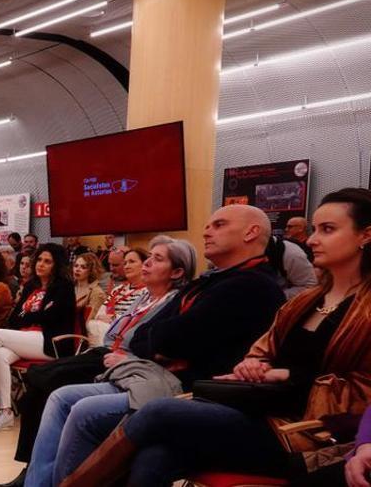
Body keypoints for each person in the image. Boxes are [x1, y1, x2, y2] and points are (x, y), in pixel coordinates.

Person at [62, 189, 371, 487]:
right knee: (156, 455)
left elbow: (363, 390)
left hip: (309, 430)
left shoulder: (363, 309)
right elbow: (260, 350)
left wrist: (282, 374)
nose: (313, 239)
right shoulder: (304, 302)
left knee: (158, 412)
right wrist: (254, 365)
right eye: (315, 229)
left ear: (365, 235)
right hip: (261, 408)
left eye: (327, 230)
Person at [31, 205, 286, 486]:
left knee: (83, 411)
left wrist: (161, 341)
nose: (206, 231)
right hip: (153, 375)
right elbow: (143, 337)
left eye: (219, 224)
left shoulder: (252, 286)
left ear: (251, 232)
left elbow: (169, 338)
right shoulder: (208, 282)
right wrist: (162, 342)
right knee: (58, 393)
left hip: (192, 390)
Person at [4, 237, 190, 487]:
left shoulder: (173, 302)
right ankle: (33, 473)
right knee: (34, 387)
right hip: (106, 352)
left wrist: (123, 348)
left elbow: (137, 341)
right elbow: (114, 332)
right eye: (145, 259)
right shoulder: (142, 297)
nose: (145, 265)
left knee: (40, 381)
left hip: (123, 364)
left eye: (155, 260)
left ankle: (34, 470)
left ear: (177, 271)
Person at [0, 243, 77, 433]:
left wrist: (28, 317)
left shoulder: (64, 288)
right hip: (26, 339)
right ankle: (6, 412)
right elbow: (14, 318)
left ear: (57, 265)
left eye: (47, 261)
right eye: (40, 260)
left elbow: (50, 318)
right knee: (0, 355)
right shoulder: (31, 286)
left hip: (51, 342)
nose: (40, 264)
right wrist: (33, 316)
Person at [84, 248, 150, 346]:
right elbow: (99, 314)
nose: (127, 266)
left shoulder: (148, 291)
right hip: (103, 333)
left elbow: (137, 320)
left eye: (131, 262)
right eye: (125, 263)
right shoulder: (117, 290)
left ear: (145, 264)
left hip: (125, 340)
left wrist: (114, 318)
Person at [71, 253, 106, 334]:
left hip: (82, 332)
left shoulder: (97, 292)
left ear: (91, 271)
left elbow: (89, 320)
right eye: (76, 266)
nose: (77, 269)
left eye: (83, 267)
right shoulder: (70, 288)